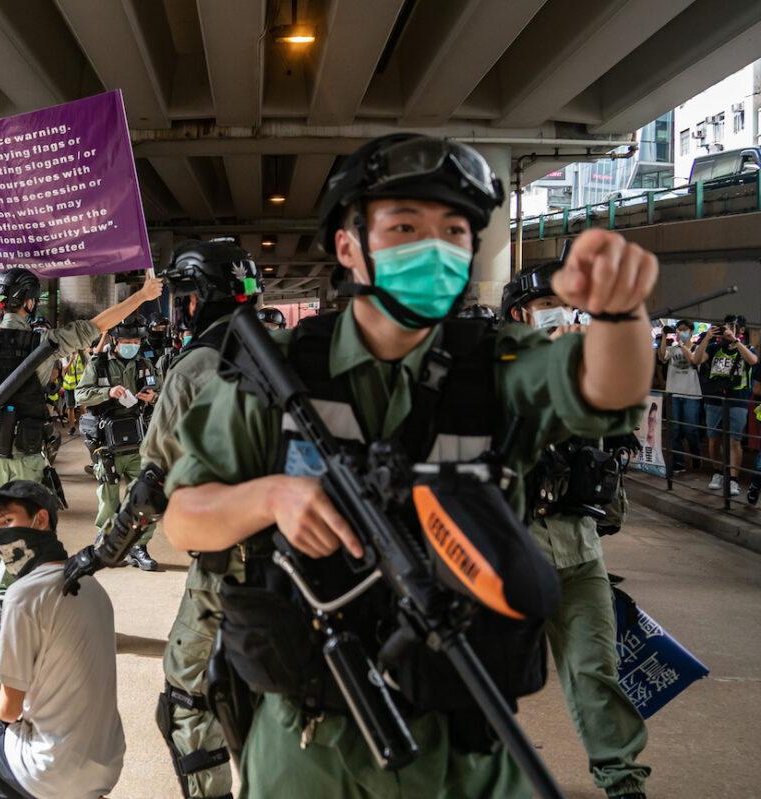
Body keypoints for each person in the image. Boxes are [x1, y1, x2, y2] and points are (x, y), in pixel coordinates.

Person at [162, 134, 657, 798]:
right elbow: (184, 519)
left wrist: (620, 312)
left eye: (455, 230)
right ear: (348, 246)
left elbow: (607, 387)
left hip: (468, 743)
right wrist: (270, 498)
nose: (435, 247)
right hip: (314, 744)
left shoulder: (498, 363)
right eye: (404, 226)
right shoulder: (277, 370)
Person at [63, 237, 263, 799]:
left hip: (230, 564)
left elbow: (152, 485)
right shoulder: (288, 351)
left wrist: (102, 553)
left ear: (197, 300)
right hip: (304, 563)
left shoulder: (196, 366)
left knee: (187, 696)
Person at [0, 268, 162, 601]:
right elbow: (99, 325)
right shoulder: (45, 343)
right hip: (28, 450)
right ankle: (31, 590)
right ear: (31, 303)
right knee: (33, 520)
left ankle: (3, 594)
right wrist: (142, 296)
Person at [503, 261, 651, 799]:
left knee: (594, 671)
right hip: (504, 555)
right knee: (482, 682)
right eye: (548, 306)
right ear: (520, 313)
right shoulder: (497, 367)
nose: (561, 315)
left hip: (578, 551)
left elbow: (615, 440)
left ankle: (621, 780)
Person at [0, 480, 124, 799]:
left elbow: (8, 710)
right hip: (105, 765)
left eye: (8, 521)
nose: (1, 535)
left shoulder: (24, 595)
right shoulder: (92, 587)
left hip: (51, 770)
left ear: (41, 520)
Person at [75, 314, 161, 571]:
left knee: (145, 496)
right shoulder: (99, 364)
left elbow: (163, 393)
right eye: (126, 340)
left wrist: (153, 397)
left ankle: (139, 546)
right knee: (109, 497)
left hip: (138, 441)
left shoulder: (145, 363)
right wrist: (107, 393)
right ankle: (107, 543)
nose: (132, 344)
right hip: (107, 443)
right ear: (114, 340)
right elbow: (80, 394)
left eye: (135, 340)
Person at [691, 314, 757, 495]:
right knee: (713, 439)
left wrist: (735, 340)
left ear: (741, 330)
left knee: (734, 440)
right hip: (714, 399)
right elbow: (695, 360)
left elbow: (752, 361)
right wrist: (706, 338)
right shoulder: (713, 348)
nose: (726, 329)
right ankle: (717, 473)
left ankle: (733, 479)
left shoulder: (747, 348)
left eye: (731, 326)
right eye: (725, 326)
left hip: (738, 399)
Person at [658, 319, 701, 472]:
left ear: (691, 331)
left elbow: (694, 360)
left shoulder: (697, 348)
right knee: (674, 430)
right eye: (679, 329)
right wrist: (664, 337)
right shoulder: (673, 348)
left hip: (692, 395)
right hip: (673, 394)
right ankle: (678, 462)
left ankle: (697, 456)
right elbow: (662, 356)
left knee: (691, 430)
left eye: (684, 329)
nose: (681, 332)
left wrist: (682, 345)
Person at [59, 348, 88, 435]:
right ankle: (72, 427)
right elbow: (64, 371)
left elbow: (88, 366)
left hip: (80, 384)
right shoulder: (65, 356)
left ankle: (85, 426)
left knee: (83, 405)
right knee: (70, 407)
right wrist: (71, 360)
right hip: (69, 385)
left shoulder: (83, 354)